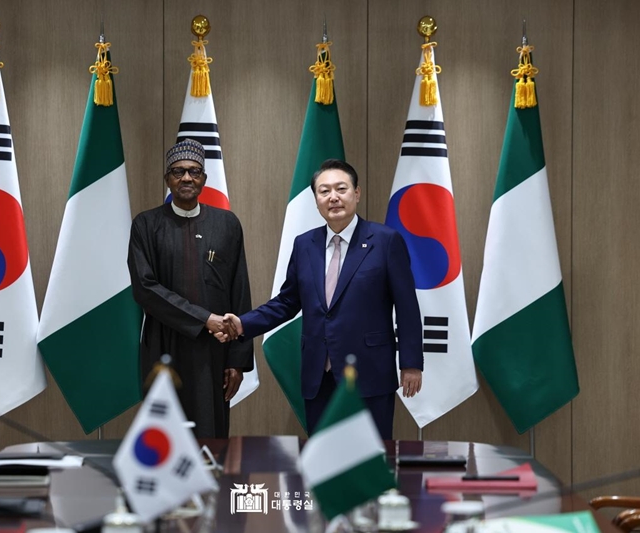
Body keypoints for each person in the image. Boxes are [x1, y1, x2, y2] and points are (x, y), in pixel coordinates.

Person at [218, 159, 423, 439]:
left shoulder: (386, 241)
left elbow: (407, 307)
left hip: (369, 372)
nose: (333, 197)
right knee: (323, 464)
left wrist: (411, 363)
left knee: (371, 461)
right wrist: (242, 324)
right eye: (324, 191)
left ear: (357, 193)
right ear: (316, 200)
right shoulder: (305, 244)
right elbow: (287, 302)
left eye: (341, 188)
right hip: (319, 375)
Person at [127, 138, 253, 438]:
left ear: (204, 180)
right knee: (163, 437)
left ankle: (211, 487)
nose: (187, 177)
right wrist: (203, 319)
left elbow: (240, 292)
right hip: (162, 346)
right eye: (178, 171)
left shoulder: (227, 224)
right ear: (167, 178)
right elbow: (145, 289)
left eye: (195, 171)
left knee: (211, 435)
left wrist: (237, 361)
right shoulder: (146, 224)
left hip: (214, 351)